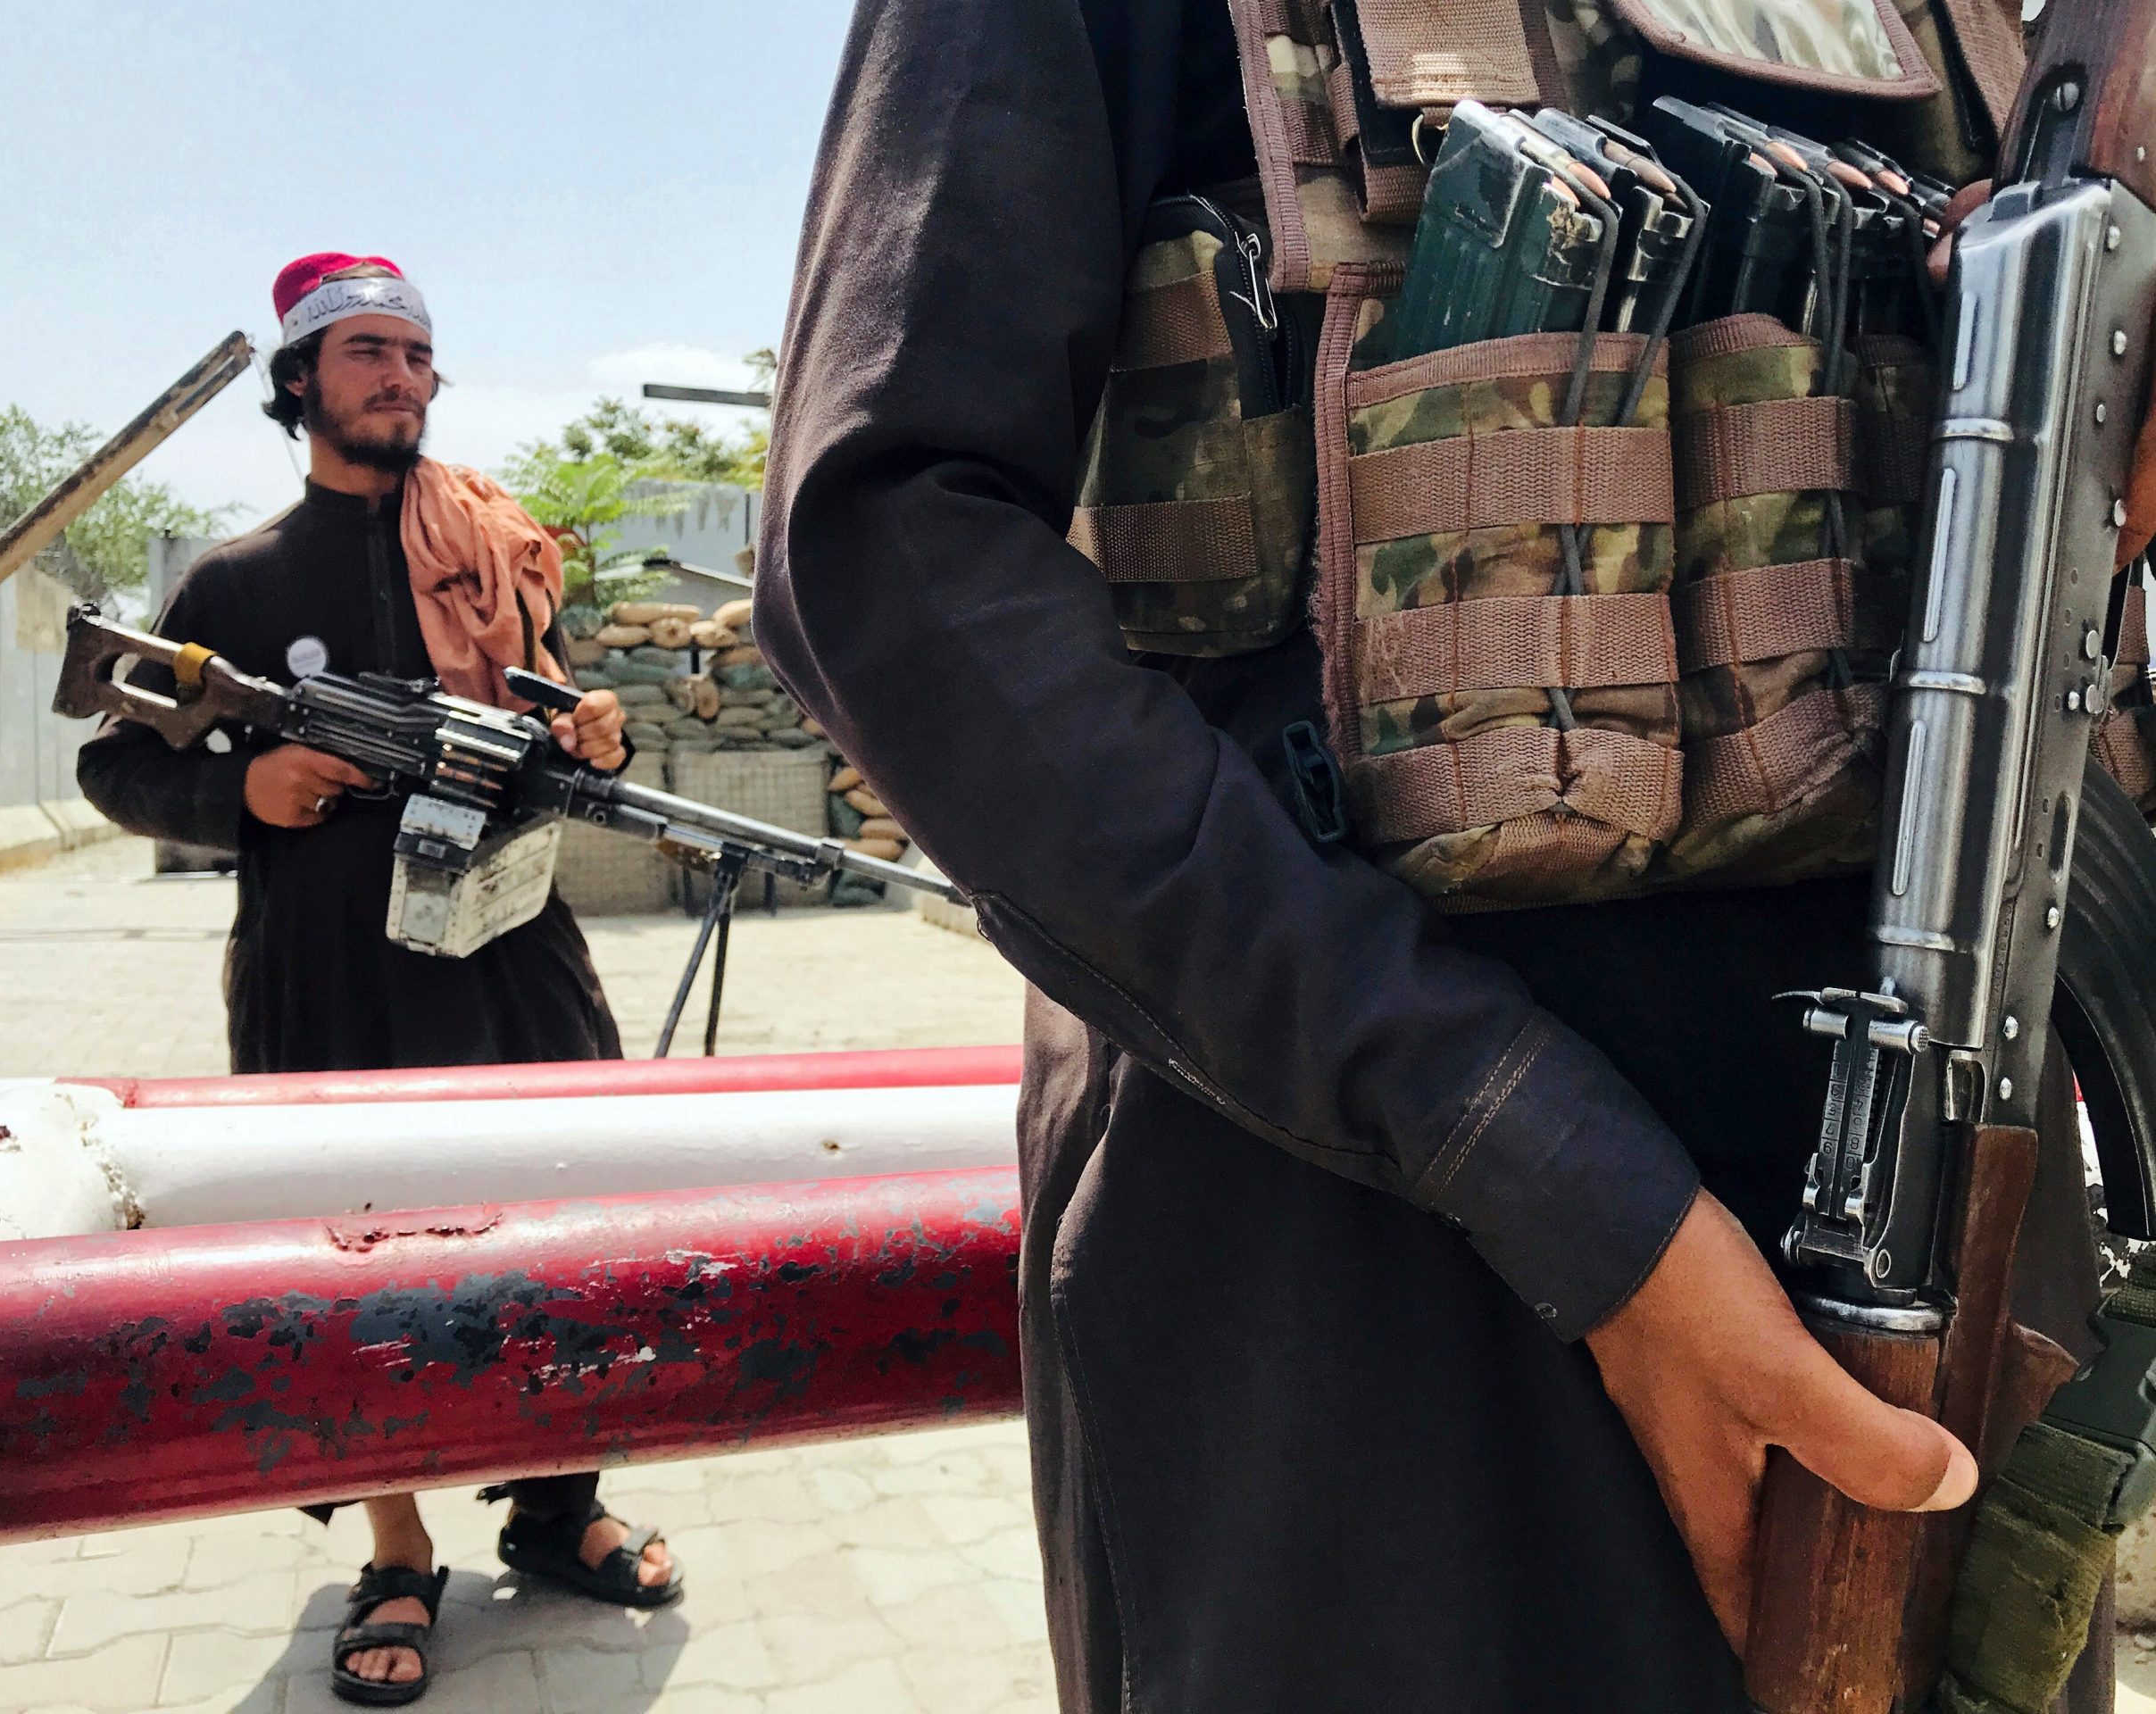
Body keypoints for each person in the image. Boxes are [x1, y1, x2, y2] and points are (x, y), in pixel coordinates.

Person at [756, 4, 2155, 1710]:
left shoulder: (2028, 33)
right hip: (1373, 1289)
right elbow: (891, 560)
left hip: (1963, 1232)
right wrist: (1552, 1178)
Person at [78, 254, 682, 1706]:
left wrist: (592, 740)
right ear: (301, 382)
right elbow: (113, 763)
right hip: (328, 972)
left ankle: (554, 1510)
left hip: (512, 952)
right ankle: (398, 1546)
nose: (399, 378)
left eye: (417, 356)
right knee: (358, 1249)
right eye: (366, 353)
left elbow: (544, 735)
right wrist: (248, 793)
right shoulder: (232, 582)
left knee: (559, 1220)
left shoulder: (487, 558)